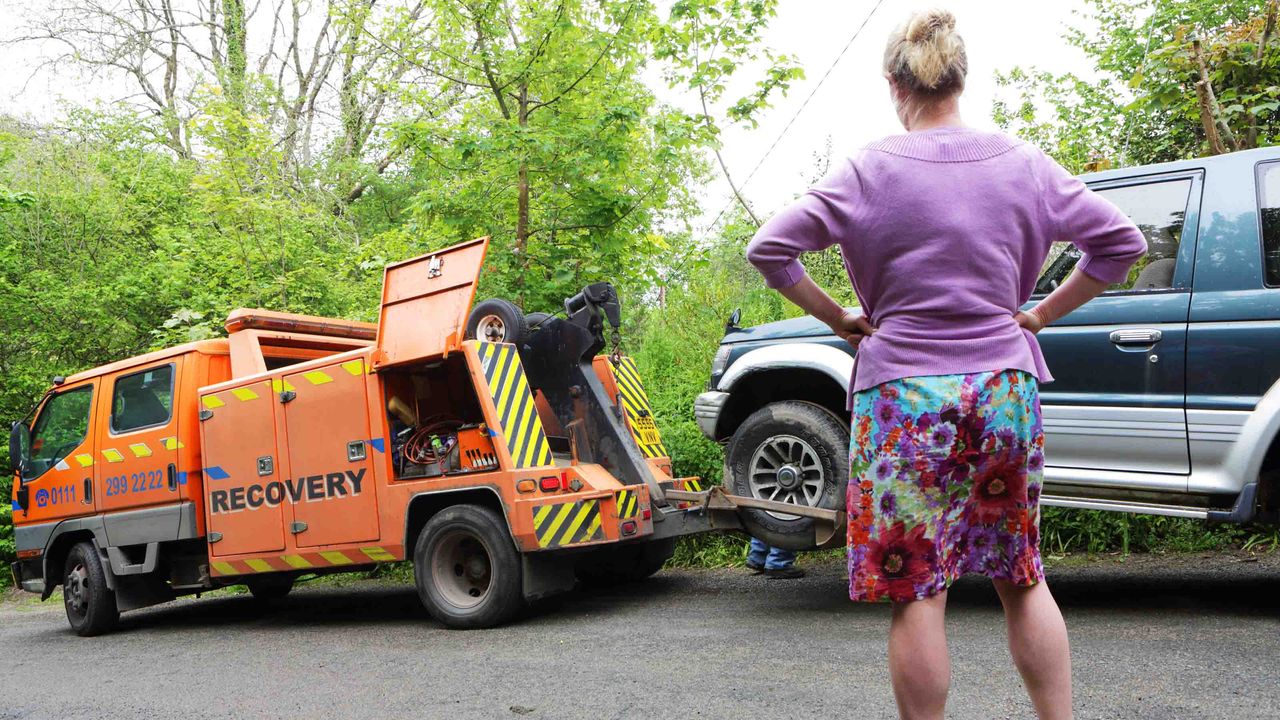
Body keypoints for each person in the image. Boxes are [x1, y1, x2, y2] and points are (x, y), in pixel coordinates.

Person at [744, 8, 1145, 720]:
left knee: (918, 589)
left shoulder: (868, 170)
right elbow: (1121, 244)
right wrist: (1043, 314)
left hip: (903, 398)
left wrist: (837, 316)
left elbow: (769, 250)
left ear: (895, 84)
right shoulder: (1024, 165)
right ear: (959, 78)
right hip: (1002, 389)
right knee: (1022, 577)